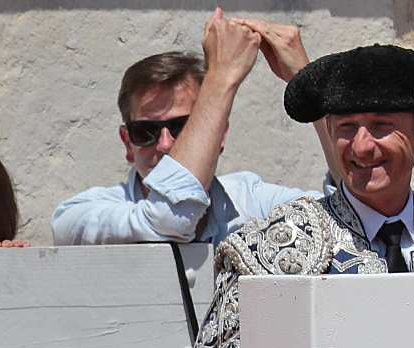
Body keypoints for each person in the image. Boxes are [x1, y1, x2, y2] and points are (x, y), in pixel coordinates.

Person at [193, 44, 414, 348]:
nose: (361, 146)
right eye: (346, 127)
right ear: (328, 131)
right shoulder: (272, 249)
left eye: (381, 125)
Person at [52, 12, 322, 247]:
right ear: (127, 143)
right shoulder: (79, 214)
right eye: (145, 131)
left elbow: (348, 217)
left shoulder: (251, 200)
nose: (166, 144)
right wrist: (222, 77)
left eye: (184, 127)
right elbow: (172, 217)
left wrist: (309, 84)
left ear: (220, 134)